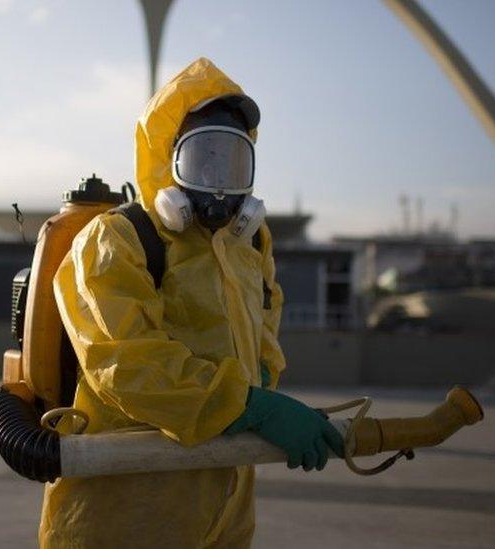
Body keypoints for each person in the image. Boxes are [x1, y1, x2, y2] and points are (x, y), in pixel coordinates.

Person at [41, 58, 344, 547]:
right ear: (167, 157)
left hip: (226, 503)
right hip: (126, 511)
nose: (219, 179)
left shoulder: (249, 249)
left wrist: (261, 388)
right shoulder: (117, 240)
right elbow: (126, 363)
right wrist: (252, 408)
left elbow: (265, 341)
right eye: (204, 157)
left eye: (233, 159)